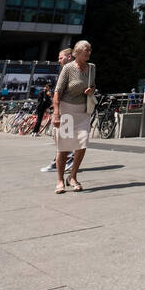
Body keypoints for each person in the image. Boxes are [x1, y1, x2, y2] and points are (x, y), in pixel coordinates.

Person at [51, 41, 95, 193]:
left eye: (89, 51)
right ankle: (59, 179)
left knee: (82, 144)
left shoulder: (92, 68)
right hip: (67, 110)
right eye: (85, 51)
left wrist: (91, 90)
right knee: (64, 147)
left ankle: (73, 176)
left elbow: (93, 85)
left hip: (83, 111)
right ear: (77, 53)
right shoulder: (68, 68)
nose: (88, 53)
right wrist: (57, 114)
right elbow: (57, 91)